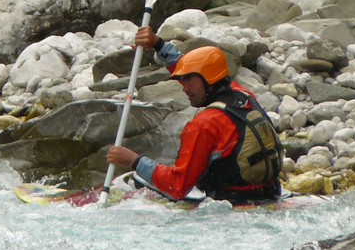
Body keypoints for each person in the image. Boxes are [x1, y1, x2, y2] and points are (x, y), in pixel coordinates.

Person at [106, 26, 284, 203]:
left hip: (229, 209)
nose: (184, 88)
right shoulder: (244, 94)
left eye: (189, 80)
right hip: (269, 195)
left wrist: (134, 160)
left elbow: (177, 186)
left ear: (208, 80)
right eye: (182, 80)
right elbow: (191, 66)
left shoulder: (203, 125)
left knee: (139, 180)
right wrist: (158, 44)